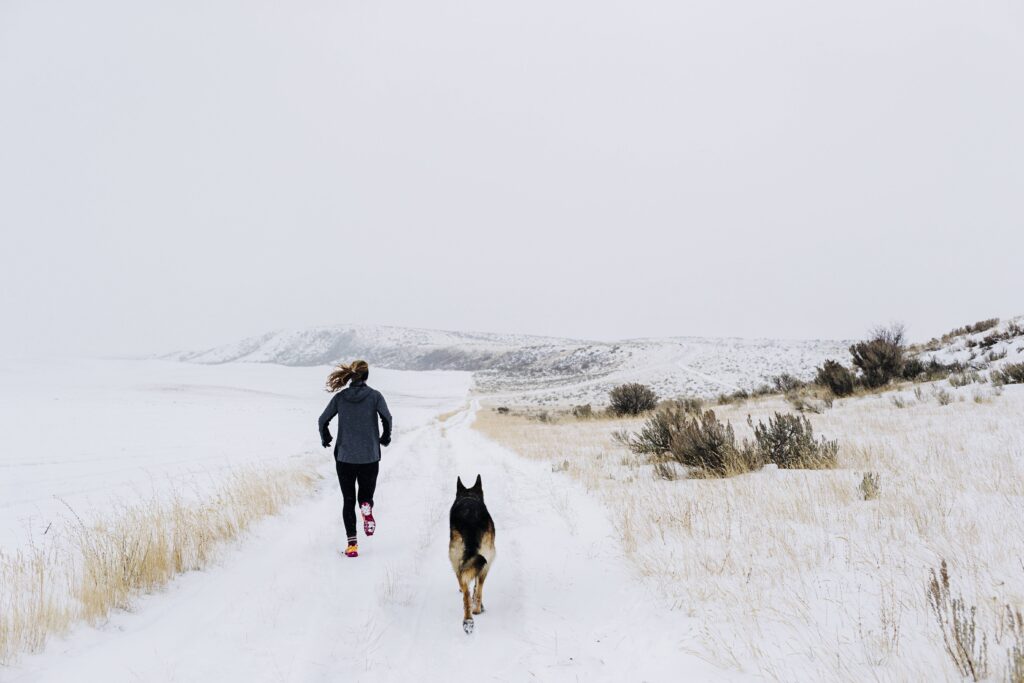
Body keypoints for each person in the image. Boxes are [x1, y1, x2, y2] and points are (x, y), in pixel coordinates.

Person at [318, 360, 392, 558]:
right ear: (366, 376)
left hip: (345, 457)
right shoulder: (375, 396)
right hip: (369, 456)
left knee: (348, 500)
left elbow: (322, 419)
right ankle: (366, 506)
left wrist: (325, 437)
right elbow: (387, 418)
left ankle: (352, 545)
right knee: (364, 496)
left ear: (350, 376)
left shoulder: (341, 397)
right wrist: (385, 437)